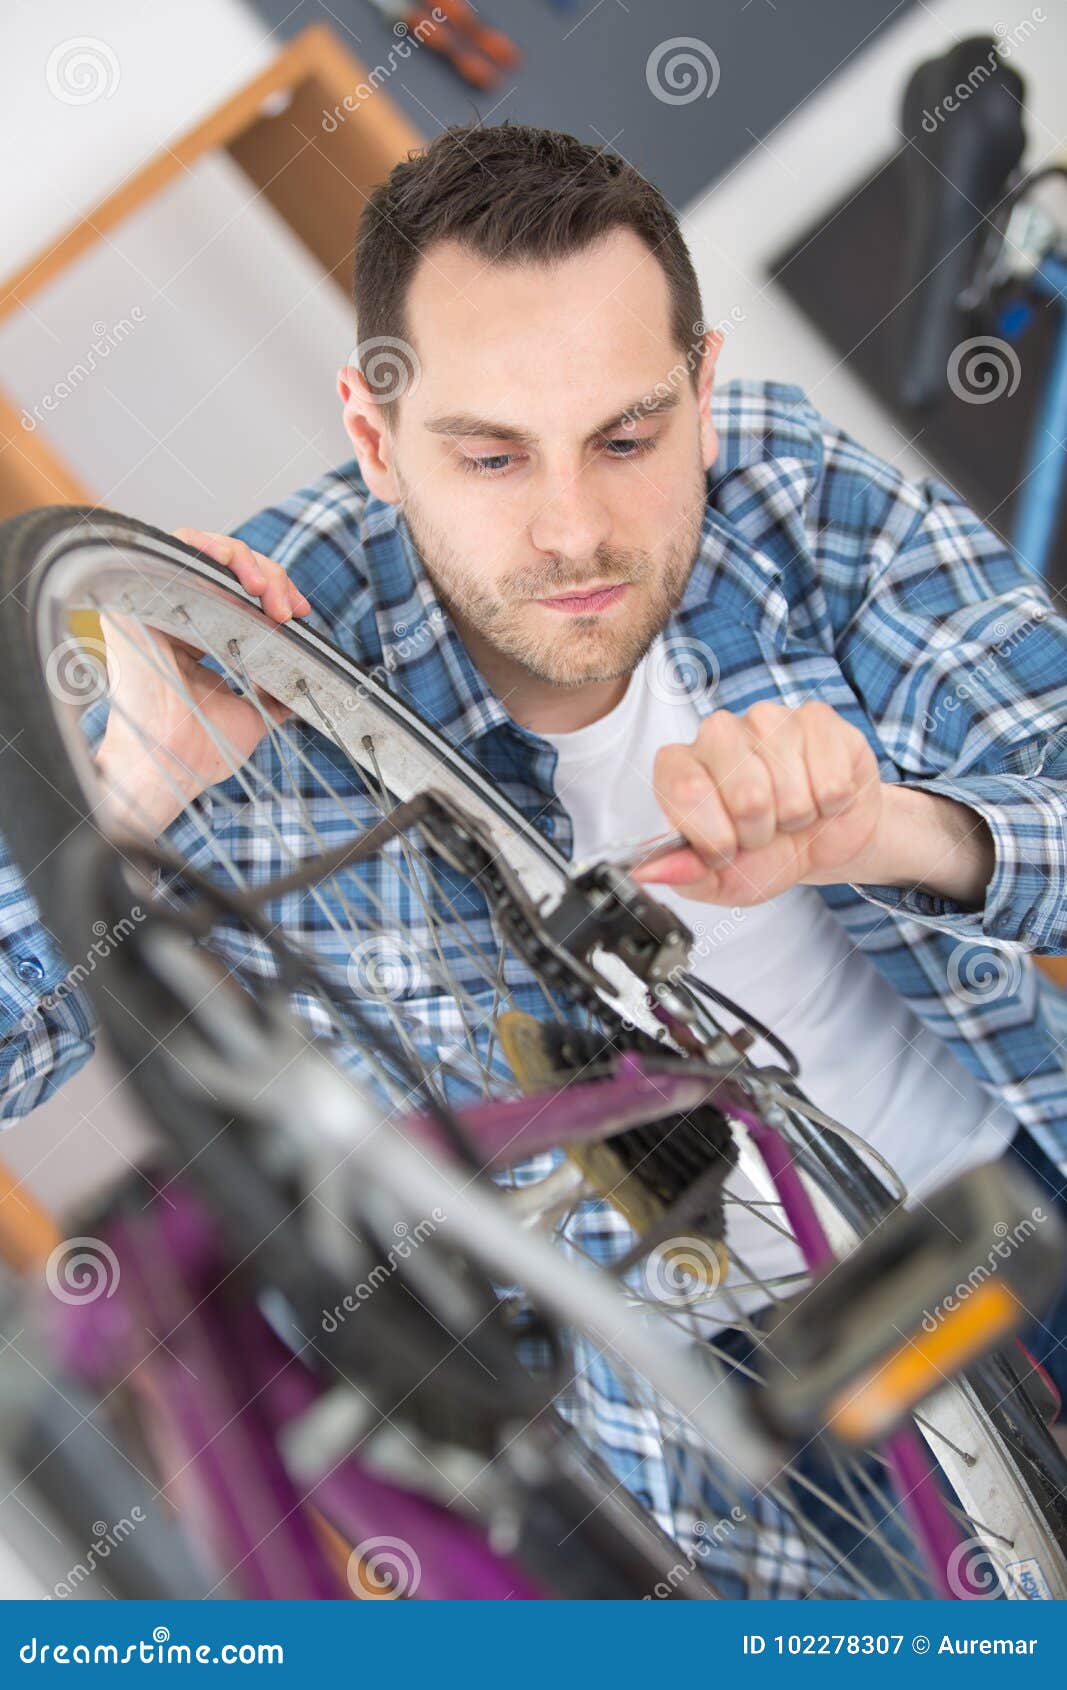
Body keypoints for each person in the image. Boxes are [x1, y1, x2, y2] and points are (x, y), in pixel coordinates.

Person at [3, 121, 1067, 1594]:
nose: (574, 530)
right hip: (724, 1417)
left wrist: (892, 829)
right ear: (375, 436)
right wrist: (130, 796)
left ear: (702, 390)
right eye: (491, 455)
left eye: (629, 440)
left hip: (1009, 1187)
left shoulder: (792, 492)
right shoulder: (242, 648)